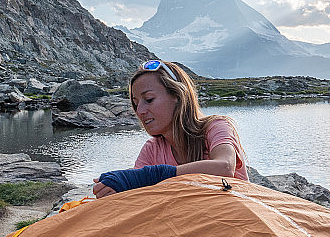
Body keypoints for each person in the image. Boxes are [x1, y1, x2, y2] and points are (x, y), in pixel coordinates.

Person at [93, 60, 248, 198]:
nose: (139, 111)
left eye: (149, 99)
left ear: (178, 96)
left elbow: (225, 166)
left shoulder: (215, 127)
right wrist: (116, 188)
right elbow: (138, 194)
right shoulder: (152, 150)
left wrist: (154, 175)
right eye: (135, 103)